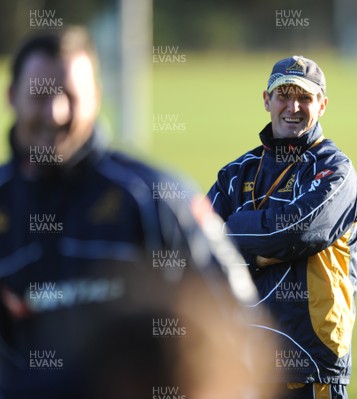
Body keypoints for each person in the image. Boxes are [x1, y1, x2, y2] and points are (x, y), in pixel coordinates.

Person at [0, 27, 257, 398]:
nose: (56, 113)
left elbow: (236, 318)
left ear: (97, 98)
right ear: (11, 96)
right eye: (40, 96)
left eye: (70, 96)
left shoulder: (155, 197)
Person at [207, 55, 357, 399]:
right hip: (244, 362)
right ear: (267, 100)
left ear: (322, 105)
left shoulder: (335, 171)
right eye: (284, 96)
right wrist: (259, 257)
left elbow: (294, 232)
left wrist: (232, 235)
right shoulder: (236, 174)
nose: (293, 107)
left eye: (305, 98)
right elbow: (202, 250)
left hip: (311, 364)